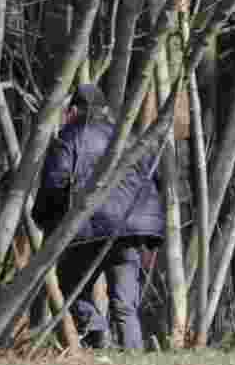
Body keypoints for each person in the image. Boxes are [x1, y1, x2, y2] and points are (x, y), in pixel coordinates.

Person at [31, 84, 164, 349]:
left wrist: (44, 217)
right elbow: (153, 180)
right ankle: (134, 360)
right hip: (130, 230)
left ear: (74, 110)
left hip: (89, 228)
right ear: (104, 109)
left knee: (70, 285)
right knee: (125, 304)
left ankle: (96, 330)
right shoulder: (126, 136)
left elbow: (55, 182)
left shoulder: (70, 137)